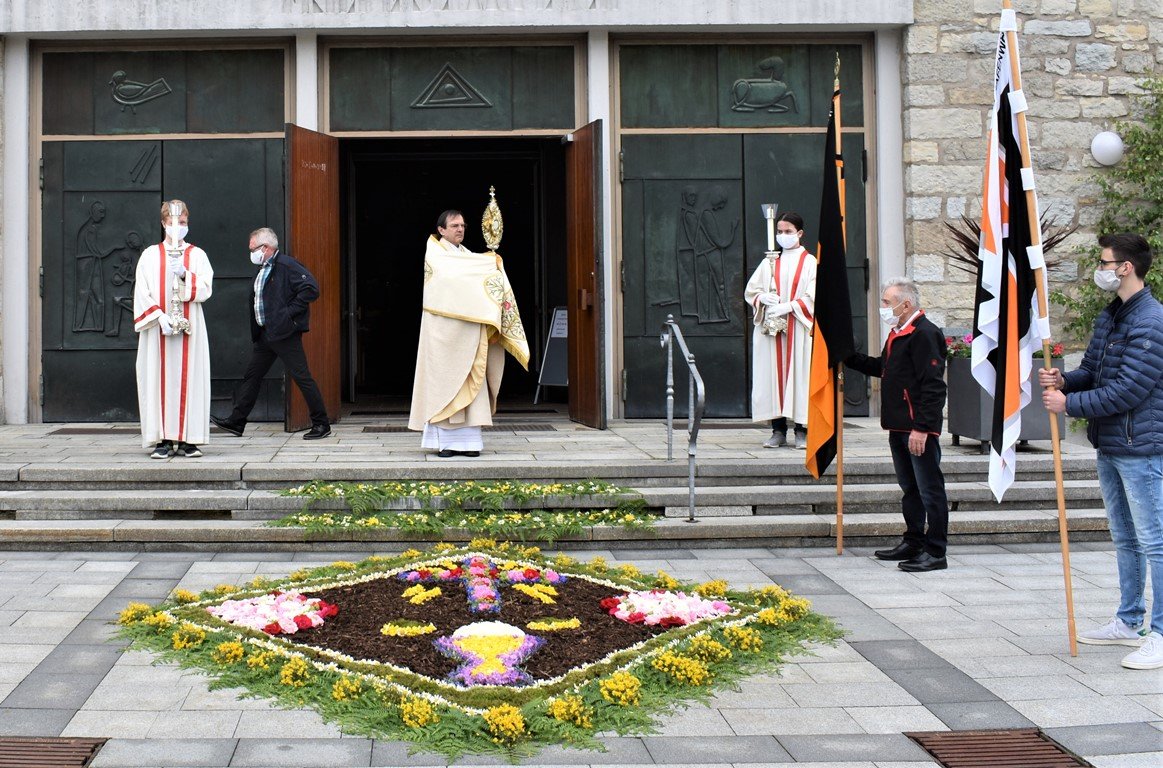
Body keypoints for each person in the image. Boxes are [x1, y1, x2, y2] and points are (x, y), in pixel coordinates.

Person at [1039, 233, 1163, 670]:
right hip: (1111, 443)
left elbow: (1129, 389)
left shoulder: (1150, 321)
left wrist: (1068, 405)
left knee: (1155, 541)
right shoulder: (1112, 315)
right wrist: (1064, 380)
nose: (1100, 269)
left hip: (1141, 447)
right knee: (1125, 537)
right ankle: (1129, 620)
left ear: (1125, 267)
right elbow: (1093, 371)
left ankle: (1161, 633)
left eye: (1105, 262)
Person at [845, 277, 949, 572]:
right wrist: (850, 358)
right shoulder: (898, 333)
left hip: (917, 429)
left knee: (930, 489)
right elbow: (885, 367)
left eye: (886, 302)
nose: (883, 307)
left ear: (906, 304)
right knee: (910, 488)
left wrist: (922, 428)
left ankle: (936, 551)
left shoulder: (925, 334)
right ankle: (913, 541)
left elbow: (933, 386)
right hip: (898, 425)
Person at [408, 210, 529, 457]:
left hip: (469, 334)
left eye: (462, 225)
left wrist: (491, 263)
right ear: (441, 230)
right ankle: (445, 444)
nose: (460, 229)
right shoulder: (436, 254)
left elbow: (476, 275)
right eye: (454, 225)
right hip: (443, 334)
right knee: (444, 385)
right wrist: (487, 264)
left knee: (472, 383)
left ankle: (470, 444)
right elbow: (454, 278)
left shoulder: (466, 255)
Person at [211, 227, 331, 440]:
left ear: (265, 248)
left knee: (302, 377)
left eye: (252, 249)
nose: (250, 253)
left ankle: (321, 424)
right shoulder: (263, 268)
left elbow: (311, 288)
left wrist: (287, 314)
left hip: (284, 334)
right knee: (253, 376)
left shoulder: (286, 265)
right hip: (266, 334)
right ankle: (237, 421)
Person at [133, 200, 214, 459]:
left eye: (183, 223)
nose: (177, 228)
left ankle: (190, 439)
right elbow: (141, 291)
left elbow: (206, 288)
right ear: (163, 223)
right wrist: (159, 317)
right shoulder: (149, 255)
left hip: (191, 330)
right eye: (172, 223)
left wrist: (184, 275)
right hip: (158, 332)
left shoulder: (197, 255)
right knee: (158, 380)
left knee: (191, 379)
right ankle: (163, 439)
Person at [744, 211, 816, 449]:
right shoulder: (770, 261)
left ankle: (802, 430)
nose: (783, 235)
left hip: (798, 329)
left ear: (800, 233)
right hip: (772, 331)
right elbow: (751, 291)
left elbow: (815, 294)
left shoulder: (810, 262)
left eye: (788, 231)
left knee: (799, 377)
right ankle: (778, 430)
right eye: (779, 231)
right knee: (772, 377)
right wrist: (762, 298)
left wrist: (790, 306)